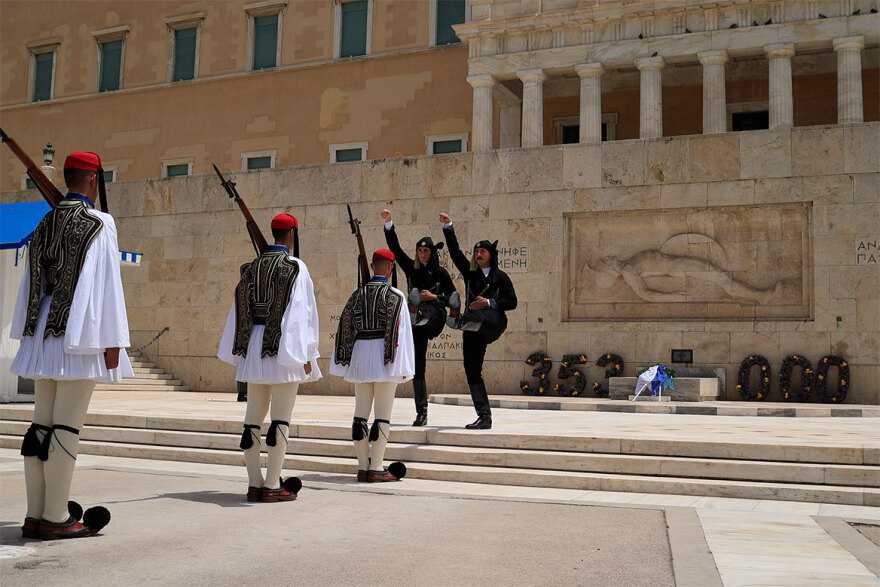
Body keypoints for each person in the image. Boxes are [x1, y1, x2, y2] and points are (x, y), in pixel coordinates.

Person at [11, 151, 131, 539]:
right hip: (79, 332)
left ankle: (34, 513)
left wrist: (28, 330)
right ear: (94, 181)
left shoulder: (45, 221)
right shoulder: (100, 223)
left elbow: (30, 282)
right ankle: (58, 516)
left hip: (42, 331)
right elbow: (106, 282)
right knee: (65, 427)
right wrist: (114, 340)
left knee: (40, 426)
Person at [218, 213, 320, 502]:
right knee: (280, 420)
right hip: (283, 348)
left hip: (253, 347)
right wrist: (307, 353)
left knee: (252, 419)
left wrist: (241, 349)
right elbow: (303, 313)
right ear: (292, 235)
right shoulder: (295, 266)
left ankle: (254, 483)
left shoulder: (251, 267)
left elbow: (239, 309)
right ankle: (273, 484)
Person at [331, 249, 414, 482]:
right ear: (390, 268)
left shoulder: (357, 294)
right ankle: (376, 467)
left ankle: (362, 466)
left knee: (360, 414)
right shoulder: (396, 295)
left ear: (372, 265)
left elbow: (345, 326)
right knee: (382, 414)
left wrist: (345, 360)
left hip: (360, 354)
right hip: (384, 355)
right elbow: (402, 334)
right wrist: (403, 366)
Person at [381, 208, 458, 426]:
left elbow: (452, 297)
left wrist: (434, 296)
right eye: (420, 250)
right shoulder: (412, 269)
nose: (422, 253)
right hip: (416, 325)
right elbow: (394, 248)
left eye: (425, 250)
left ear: (432, 252)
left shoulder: (441, 273)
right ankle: (421, 412)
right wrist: (389, 223)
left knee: (429, 308)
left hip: (434, 317)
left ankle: (416, 309)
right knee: (418, 366)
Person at [440, 213, 517, 430]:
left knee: (476, 316)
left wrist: (490, 302)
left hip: (493, 322)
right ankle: (484, 416)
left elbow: (512, 302)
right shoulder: (470, 273)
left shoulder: (501, 277)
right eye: (476, 251)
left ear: (491, 255)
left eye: (483, 251)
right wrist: (448, 227)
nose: (478, 253)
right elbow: (455, 253)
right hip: (474, 327)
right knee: (471, 369)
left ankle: (458, 317)